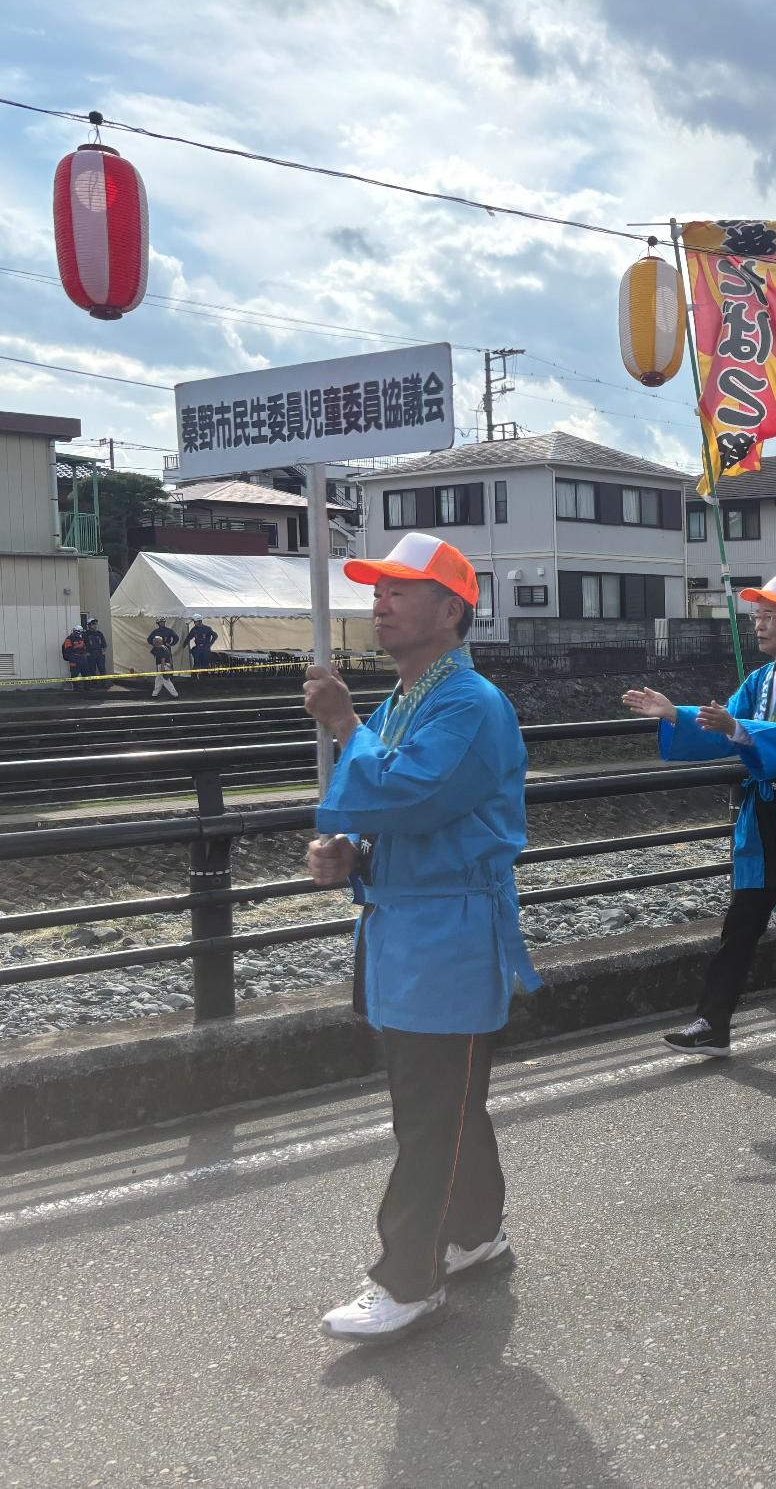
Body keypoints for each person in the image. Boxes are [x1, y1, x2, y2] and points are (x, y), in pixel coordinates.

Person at [304, 532, 540, 1343]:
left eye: (400, 590)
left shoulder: (468, 702)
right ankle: (476, 1234)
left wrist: (343, 723)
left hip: (446, 934)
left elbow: (412, 792)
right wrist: (349, 846)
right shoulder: (415, 696)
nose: (381, 603)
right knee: (447, 1103)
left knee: (431, 1112)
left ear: (451, 610)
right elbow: (394, 810)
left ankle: (409, 1279)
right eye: (378, 590)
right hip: (415, 927)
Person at [625, 574, 776, 1057]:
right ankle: (713, 1022)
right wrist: (675, 715)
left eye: (770, 616)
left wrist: (737, 729)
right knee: (744, 918)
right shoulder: (759, 680)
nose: (759, 624)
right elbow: (723, 725)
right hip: (766, 806)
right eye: (757, 616)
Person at [147, 617, 180, 699]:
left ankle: (175, 694)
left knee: (165, 679)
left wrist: (171, 644)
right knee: (158, 679)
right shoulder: (156, 635)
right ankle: (154, 694)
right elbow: (149, 639)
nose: (162, 623)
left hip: (163, 664)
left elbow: (163, 658)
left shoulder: (162, 648)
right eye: (161, 622)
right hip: (162, 663)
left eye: (163, 622)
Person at [81, 617, 107, 686]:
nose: (95, 625)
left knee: (102, 669)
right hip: (90, 655)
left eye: (96, 624)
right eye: (93, 624)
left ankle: (104, 684)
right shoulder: (85, 634)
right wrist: (85, 653)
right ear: (89, 625)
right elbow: (82, 645)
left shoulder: (99, 633)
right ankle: (93, 684)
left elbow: (104, 644)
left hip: (99, 654)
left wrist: (103, 652)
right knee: (92, 670)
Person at [61, 625, 88, 692]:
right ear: (75, 631)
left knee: (85, 673)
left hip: (82, 658)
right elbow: (68, 649)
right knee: (74, 673)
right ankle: (76, 688)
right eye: (78, 632)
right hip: (74, 658)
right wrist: (78, 646)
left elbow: (84, 647)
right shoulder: (69, 639)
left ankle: (86, 687)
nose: (79, 634)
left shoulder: (81, 638)